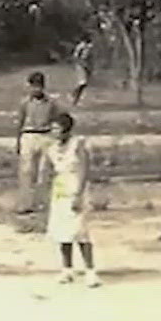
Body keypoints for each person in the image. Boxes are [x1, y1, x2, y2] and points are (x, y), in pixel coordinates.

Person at [46, 111, 99, 287]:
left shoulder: (78, 145)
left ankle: (90, 271)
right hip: (60, 189)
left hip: (76, 187)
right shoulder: (51, 148)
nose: (54, 132)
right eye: (52, 129)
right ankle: (67, 269)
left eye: (57, 129)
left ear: (67, 130)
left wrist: (78, 194)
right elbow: (49, 170)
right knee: (62, 231)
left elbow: (84, 170)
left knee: (80, 231)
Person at [13, 71, 61, 216]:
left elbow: (57, 120)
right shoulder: (25, 103)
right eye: (33, 86)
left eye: (39, 86)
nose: (36, 89)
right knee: (26, 171)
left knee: (43, 172)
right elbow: (20, 122)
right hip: (29, 135)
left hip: (45, 135)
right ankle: (25, 204)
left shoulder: (51, 103)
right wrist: (18, 141)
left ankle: (41, 203)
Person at [70, 33, 95, 106]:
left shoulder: (89, 46)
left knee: (84, 83)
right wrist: (81, 64)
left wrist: (89, 66)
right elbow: (75, 57)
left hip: (85, 64)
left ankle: (74, 93)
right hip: (80, 65)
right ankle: (75, 99)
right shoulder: (80, 46)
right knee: (83, 83)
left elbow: (90, 56)